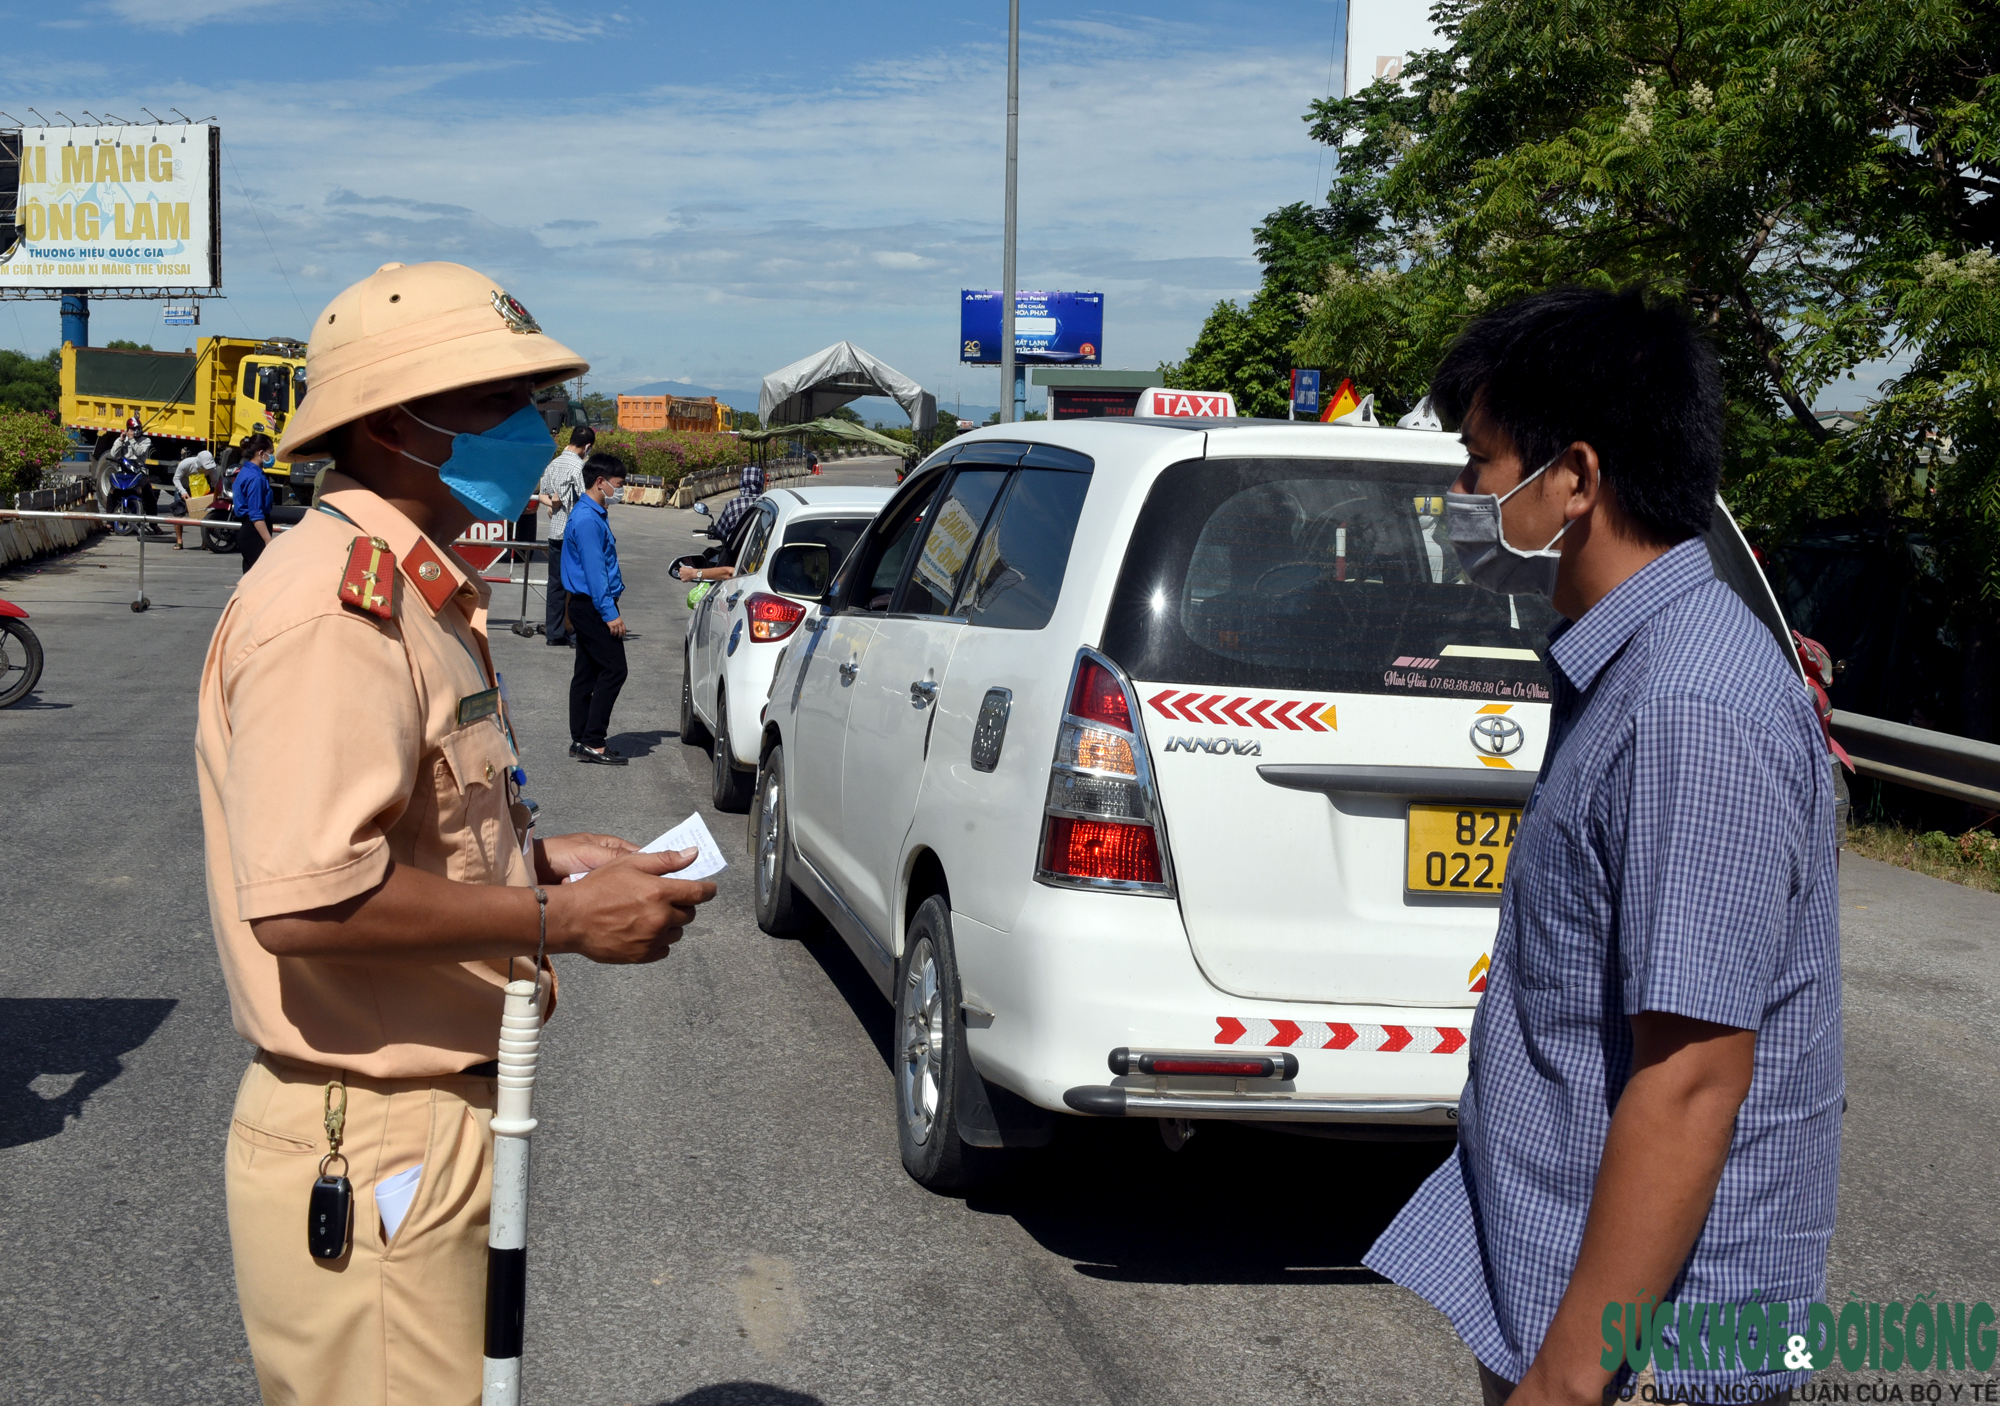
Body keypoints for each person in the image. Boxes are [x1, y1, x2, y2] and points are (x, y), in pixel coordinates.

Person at [196, 260, 718, 1406]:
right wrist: (555, 919)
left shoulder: (415, 590)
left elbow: (409, 841)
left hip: (422, 1127)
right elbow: (305, 897)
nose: (531, 428)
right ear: (392, 421)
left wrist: (543, 858)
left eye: (531, 401)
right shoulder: (338, 609)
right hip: (374, 1137)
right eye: (494, 401)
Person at [1363, 287, 1840, 1406]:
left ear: (1572, 480)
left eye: (1479, 464)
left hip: (1650, 1362)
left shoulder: (1689, 703)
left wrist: (1564, 1383)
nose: (1461, 496)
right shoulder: (1631, 667)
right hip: (1562, 1289)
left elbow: (1690, 1079)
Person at [561, 452, 630, 765]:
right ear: (600, 483)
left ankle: (581, 738)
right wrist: (610, 613)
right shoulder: (588, 519)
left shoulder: (591, 512)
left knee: (587, 673)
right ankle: (593, 740)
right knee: (615, 669)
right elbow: (594, 572)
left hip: (586, 604)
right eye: (619, 484)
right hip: (592, 604)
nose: (621, 490)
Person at [539, 426, 593, 645]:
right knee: (578, 584)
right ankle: (575, 632)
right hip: (573, 533)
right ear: (587, 446)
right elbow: (584, 499)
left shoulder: (553, 464)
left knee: (555, 585)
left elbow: (543, 495)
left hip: (555, 533)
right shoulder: (579, 467)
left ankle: (554, 632)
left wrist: (553, 503)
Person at [232, 434, 276, 575]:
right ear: (261, 453)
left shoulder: (246, 471)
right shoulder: (255, 478)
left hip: (249, 530)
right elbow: (256, 514)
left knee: (250, 576)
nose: (272, 458)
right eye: (270, 454)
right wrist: (268, 540)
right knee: (261, 577)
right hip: (255, 532)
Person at [172, 448, 218, 549]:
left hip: (200, 489)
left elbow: (214, 482)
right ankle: (179, 541)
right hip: (184, 488)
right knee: (178, 514)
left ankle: (205, 542)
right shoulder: (186, 464)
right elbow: (176, 478)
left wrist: (215, 495)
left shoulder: (211, 469)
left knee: (205, 514)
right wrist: (183, 492)